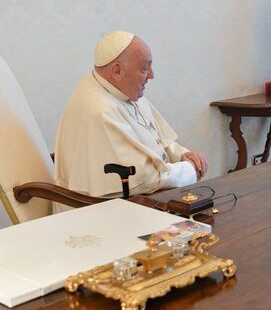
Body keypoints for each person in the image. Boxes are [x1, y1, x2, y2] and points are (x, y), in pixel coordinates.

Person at [55, 31, 207, 201]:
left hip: (137, 202)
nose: (151, 75)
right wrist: (188, 170)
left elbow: (157, 140)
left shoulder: (119, 90)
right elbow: (143, 179)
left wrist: (181, 155)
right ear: (117, 71)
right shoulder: (100, 110)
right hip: (101, 213)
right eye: (144, 68)